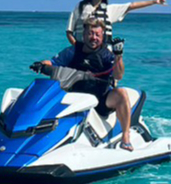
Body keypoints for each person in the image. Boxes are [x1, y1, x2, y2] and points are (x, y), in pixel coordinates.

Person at [33, 18, 135, 151]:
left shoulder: (106, 55)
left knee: (122, 93)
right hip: (74, 98)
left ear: (102, 36)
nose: (94, 38)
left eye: (97, 35)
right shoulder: (72, 51)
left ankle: (126, 137)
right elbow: (53, 62)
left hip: (100, 99)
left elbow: (118, 75)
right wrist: (41, 64)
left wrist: (118, 56)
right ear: (84, 34)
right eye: (90, 33)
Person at [66, 0, 167, 45]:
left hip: (104, 54)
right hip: (82, 52)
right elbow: (69, 32)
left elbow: (131, 6)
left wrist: (154, 1)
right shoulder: (80, 7)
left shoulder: (110, 10)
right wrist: (77, 48)